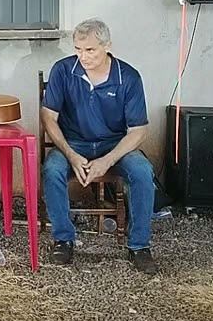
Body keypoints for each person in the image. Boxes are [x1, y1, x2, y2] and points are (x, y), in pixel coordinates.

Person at [41, 18, 158, 274]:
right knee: (52, 170)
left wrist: (107, 160)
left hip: (114, 144)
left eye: (90, 50)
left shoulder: (128, 76)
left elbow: (138, 130)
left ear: (107, 45)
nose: (83, 56)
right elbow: (48, 117)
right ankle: (63, 240)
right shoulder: (62, 70)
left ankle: (139, 246)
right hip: (72, 143)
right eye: (78, 50)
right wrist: (71, 155)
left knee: (142, 172)